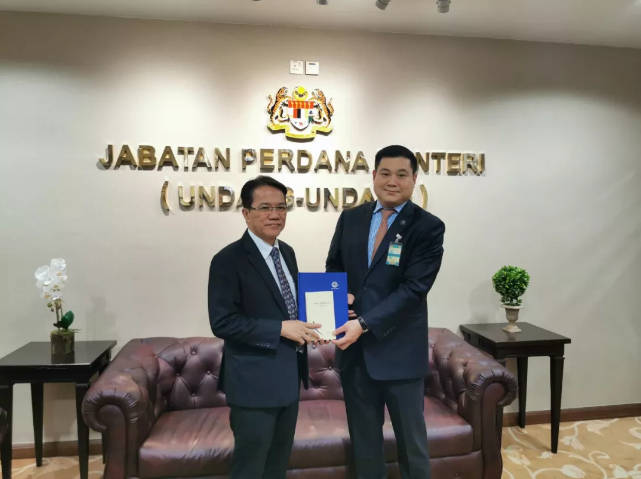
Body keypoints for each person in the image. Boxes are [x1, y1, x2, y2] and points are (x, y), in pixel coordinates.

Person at [325, 145, 445, 479]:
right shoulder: (351, 218)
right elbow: (334, 266)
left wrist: (364, 323)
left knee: (412, 445)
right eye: (386, 173)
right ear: (374, 175)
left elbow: (414, 289)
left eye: (402, 174)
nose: (393, 181)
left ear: (414, 179)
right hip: (355, 355)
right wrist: (338, 296)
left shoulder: (427, 227)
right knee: (364, 445)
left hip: (399, 353)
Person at [208, 175, 323, 479]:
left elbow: (290, 308)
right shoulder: (228, 260)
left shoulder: (287, 252)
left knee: (277, 465)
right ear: (246, 213)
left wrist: (321, 321)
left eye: (281, 207)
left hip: (289, 379)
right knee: (250, 468)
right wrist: (280, 329)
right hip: (253, 385)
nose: (275, 214)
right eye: (265, 208)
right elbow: (222, 322)